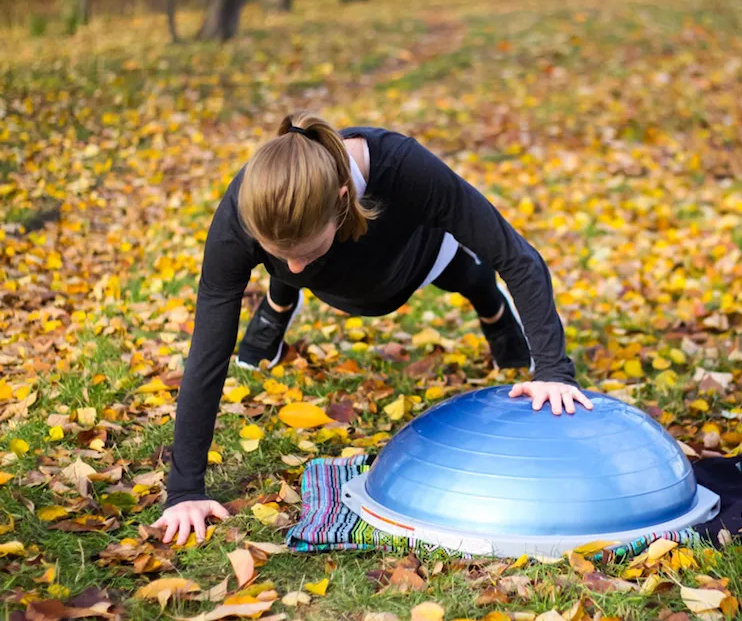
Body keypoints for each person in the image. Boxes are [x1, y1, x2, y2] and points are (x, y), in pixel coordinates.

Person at [152, 112, 592, 546]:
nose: (295, 263)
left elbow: (517, 257)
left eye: (304, 250)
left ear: (343, 199)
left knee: (469, 276)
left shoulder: (404, 167)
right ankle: (280, 296)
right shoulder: (247, 211)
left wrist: (553, 371)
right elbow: (208, 347)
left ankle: (491, 309)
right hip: (332, 277)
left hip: (409, 258)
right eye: (277, 254)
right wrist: (185, 489)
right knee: (292, 265)